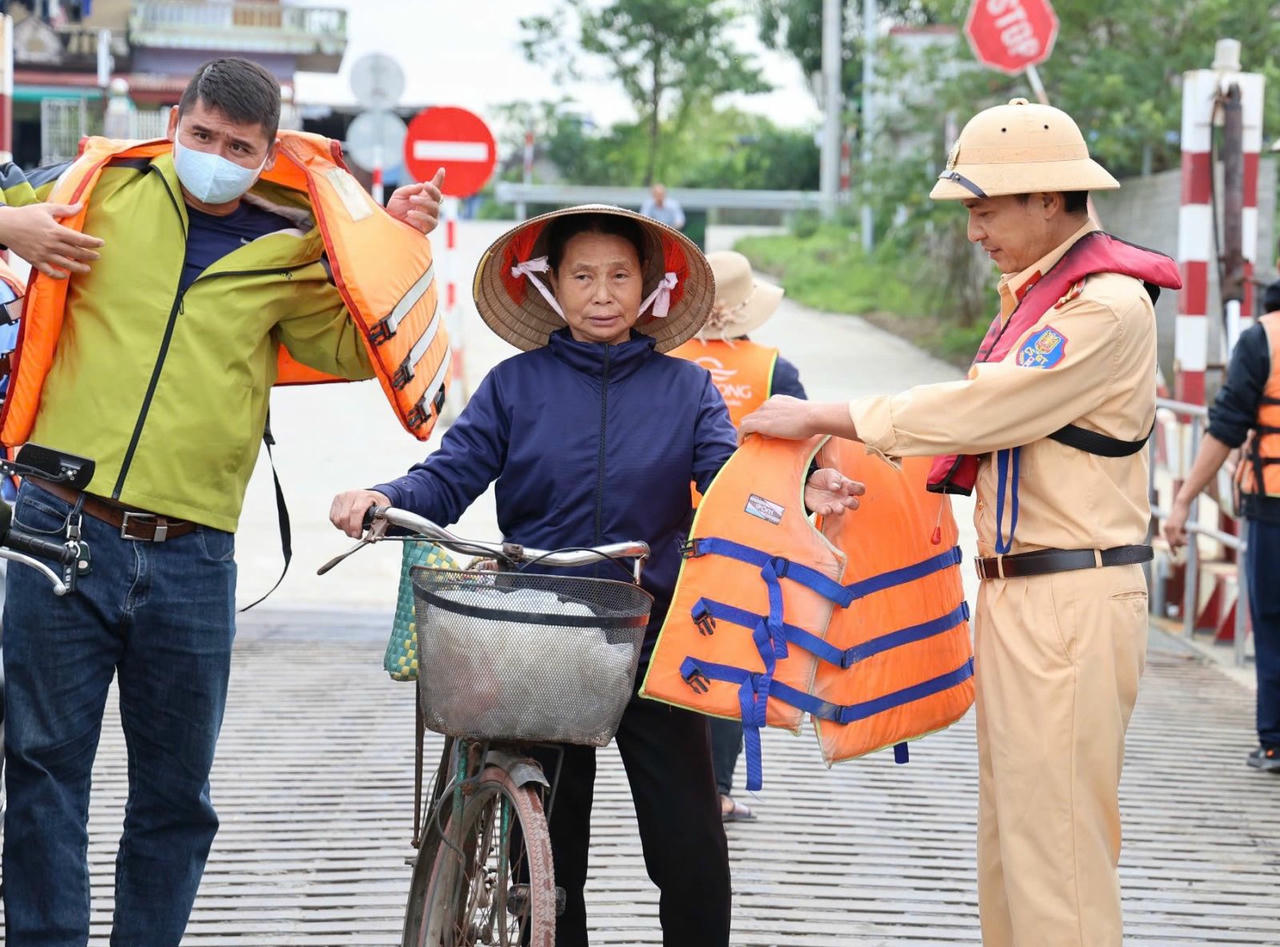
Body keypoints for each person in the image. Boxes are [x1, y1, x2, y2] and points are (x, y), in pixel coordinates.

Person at [330, 205, 861, 947]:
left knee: (692, 846)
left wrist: (803, 496)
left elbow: (731, 482)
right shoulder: (514, 386)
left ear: (650, 288)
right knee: (544, 852)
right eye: (582, 275)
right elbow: (449, 476)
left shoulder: (688, 390)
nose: (602, 292)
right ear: (552, 286)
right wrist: (385, 497)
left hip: (653, 629)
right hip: (536, 631)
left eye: (620, 275)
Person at [0, 57, 442, 946]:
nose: (215, 155)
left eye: (237, 146)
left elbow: (360, 341)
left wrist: (390, 240)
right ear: (175, 120)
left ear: (266, 151)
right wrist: (16, 227)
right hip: (59, 526)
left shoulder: (291, 243)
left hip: (193, 550)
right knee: (41, 770)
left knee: (175, 793)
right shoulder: (96, 186)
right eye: (200, 135)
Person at [739, 98, 1182, 947]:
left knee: (1059, 854)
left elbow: (981, 411)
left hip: (1073, 595)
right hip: (1021, 595)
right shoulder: (1045, 301)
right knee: (1011, 843)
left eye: (984, 209)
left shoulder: (1104, 307)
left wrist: (823, 416)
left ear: (1048, 200)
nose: (974, 230)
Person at [668, 249, 806, 822]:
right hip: (742, 536)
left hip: (668, 527)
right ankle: (716, 791)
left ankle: (664, 774)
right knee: (732, 658)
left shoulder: (663, 359)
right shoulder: (777, 372)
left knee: (667, 651)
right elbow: (802, 457)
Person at [1165, 275, 1280, 773]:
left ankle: (1275, 743)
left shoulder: (1263, 339)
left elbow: (1227, 427)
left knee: (1273, 625)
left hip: (1273, 508)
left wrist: (1183, 500)